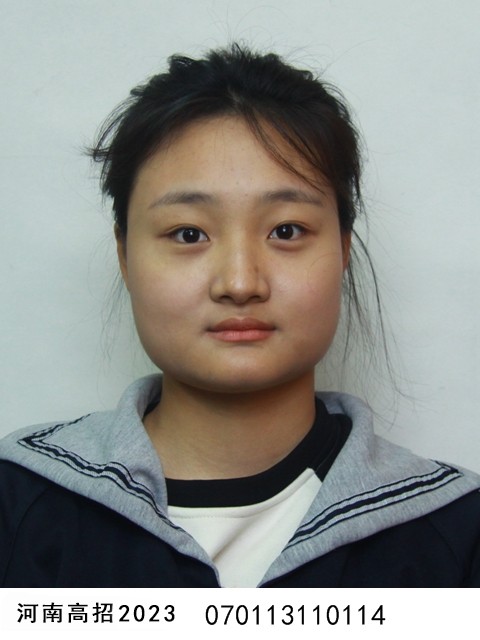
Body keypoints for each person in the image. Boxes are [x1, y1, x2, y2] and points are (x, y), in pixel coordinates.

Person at [0, 44, 479, 588]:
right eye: (189, 234)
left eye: (286, 231)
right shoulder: (19, 501)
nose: (240, 283)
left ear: (343, 250)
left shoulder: (458, 532)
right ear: (124, 254)